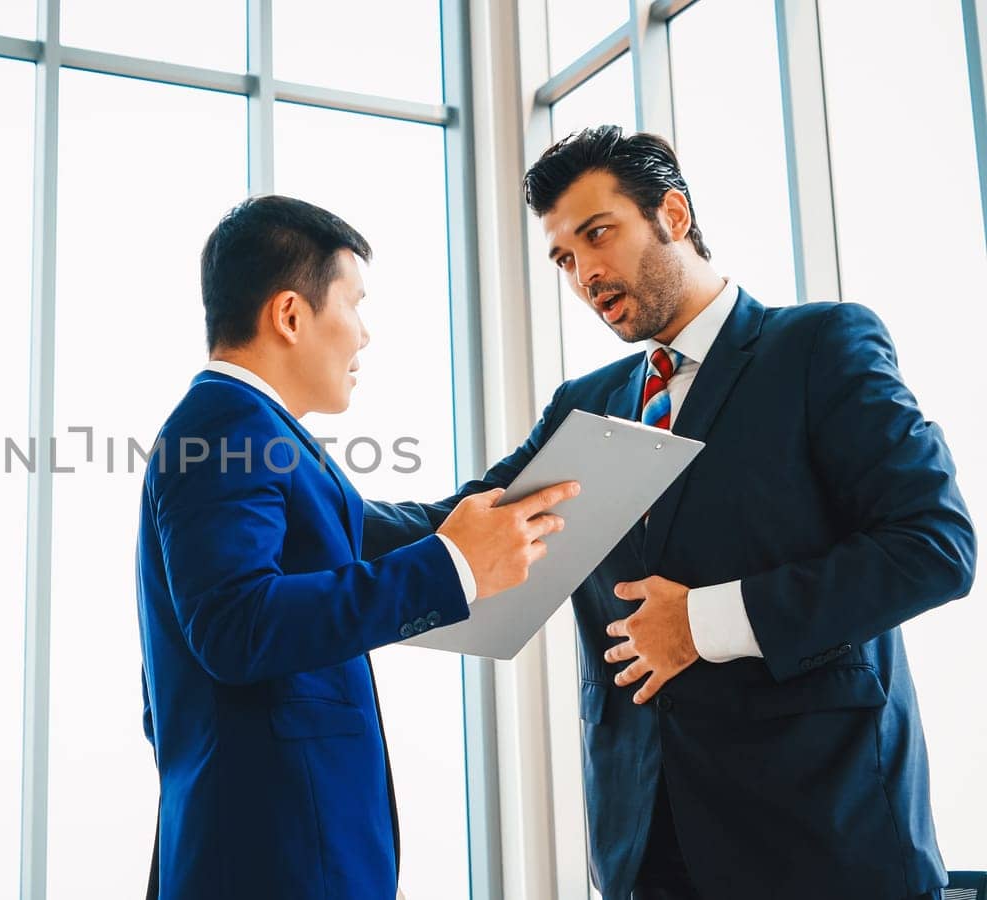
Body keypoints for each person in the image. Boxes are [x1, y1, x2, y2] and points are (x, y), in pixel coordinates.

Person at [365, 125, 976, 900]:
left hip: (820, 834)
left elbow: (934, 547)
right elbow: (472, 518)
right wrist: (300, 500)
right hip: (645, 845)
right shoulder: (586, 404)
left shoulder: (821, 346)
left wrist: (705, 623)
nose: (585, 273)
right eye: (563, 258)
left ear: (674, 217)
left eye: (597, 235)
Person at [135, 194, 577, 899]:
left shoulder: (256, 433)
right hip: (272, 859)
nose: (365, 335)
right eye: (355, 303)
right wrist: (453, 566)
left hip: (273, 848)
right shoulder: (228, 430)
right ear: (290, 314)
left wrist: (551, 455)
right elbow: (234, 625)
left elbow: (403, 528)